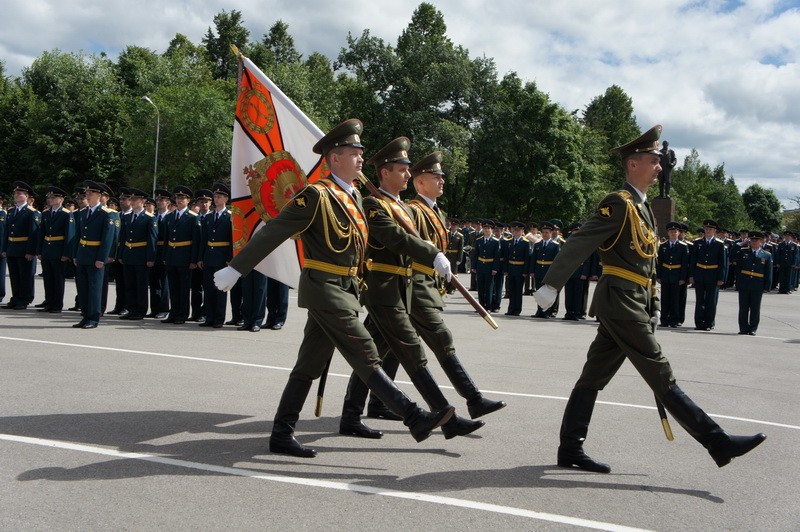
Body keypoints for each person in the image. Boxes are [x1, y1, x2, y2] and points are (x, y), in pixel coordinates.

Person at [213, 119, 454, 458]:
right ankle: (413, 416)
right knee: (366, 352)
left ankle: (282, 433)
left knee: (308, 366)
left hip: (347, 288)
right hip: (324, 288)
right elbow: (276, 230)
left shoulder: (354, 197)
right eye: (354, 154)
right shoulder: (316, 195)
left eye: (360, 153)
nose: (360, 159)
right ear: (335, 157)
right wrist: (237, 267)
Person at [534, 125, 765, 472]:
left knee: (592, 378)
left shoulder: (643, 209)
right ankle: (717, 442)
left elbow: (648, 265)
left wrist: (652, 306)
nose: (660, 168)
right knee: (660, 372)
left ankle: (569, 449)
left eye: (659, 161)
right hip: (620, 302)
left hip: (631, 303)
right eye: (654, 161)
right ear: (633, 164)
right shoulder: (619, 203)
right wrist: (551, 285)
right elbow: (580, 242)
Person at [339, 138, 480, 441]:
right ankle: (445, 416)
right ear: (385, 173)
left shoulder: (402, 207)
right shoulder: (372, 204)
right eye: (401, 170)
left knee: (371, 356)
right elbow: (396, 240)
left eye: (407, 169)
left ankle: (351, 415)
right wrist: (432, 254)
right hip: (383, 288)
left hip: (401, 289)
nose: (407, 174)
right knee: (411, 350)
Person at [71, 180, 116, 329]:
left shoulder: (106, 214)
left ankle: (93, 318)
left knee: (95, 288)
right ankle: (85, 316)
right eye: (87, 193)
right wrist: (76, 255)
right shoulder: (83, 213)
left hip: (95, 255)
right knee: (83, 288)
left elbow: (107, 239)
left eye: (91, 193)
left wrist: (101, 258)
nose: (88, 195)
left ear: (99, 195)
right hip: (83, 254)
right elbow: (78, 236)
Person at [162, 186, 201, 325]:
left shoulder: (192, 217)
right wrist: (166, 256)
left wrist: (193, 260)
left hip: (185, 256)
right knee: (173, 287)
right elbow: (167, 239)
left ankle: (183, 314)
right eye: (178, 198)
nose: (179, 200)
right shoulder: (169, 216)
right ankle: (173, 312)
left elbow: (196, 241)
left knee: (184, 288)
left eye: (182, 198)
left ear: (188, 200)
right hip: (172, 256)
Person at [118, 188, 158, 321]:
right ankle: (131, 309)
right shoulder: (127, 217)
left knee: (141, 285)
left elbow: (152, 239)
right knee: (129, 284)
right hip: (129, 254)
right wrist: (121, 254)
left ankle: (140, 310)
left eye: (135, 200)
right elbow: (122, 237)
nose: (133, 202)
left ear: (143, 202)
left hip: (141, 255)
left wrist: (150, 258)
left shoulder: (149, 218)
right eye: (132, 199)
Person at [198, 183, 233, 329]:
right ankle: (209, 317)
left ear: (226, 199)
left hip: (221, 257)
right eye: (215, 196)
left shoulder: (229, 217)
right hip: (209, 256)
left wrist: (229, 259)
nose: (216, 199)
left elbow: (232, 240)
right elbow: (203, 240)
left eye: (219, 196)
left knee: (220, 289)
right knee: (209, 288)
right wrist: (200, 257)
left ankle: (219, 319)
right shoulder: (208, 217)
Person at [36, 186, 75, 313]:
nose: (51, 199)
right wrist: (40, 251)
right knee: (48, 278)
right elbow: (41, 233)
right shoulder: (46, 213)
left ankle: (57, 304)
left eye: (54, 197)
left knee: (58, 279)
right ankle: (49, 302)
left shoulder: (66, 214)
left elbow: (69, 235)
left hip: (58, 250)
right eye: (50, 197)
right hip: (47, 249)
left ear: (61, 199)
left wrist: (66, 253)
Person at [3, 181, 41, 310]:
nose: (16, 195)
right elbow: (6, 232)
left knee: (25, 275)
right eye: (15, 193)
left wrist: (31, 251)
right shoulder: (12, 211)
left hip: (24, 247)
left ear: (26, 196)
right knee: (14, 275)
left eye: (20, 193)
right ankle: (16, 298)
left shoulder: (32, 212)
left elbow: (33, 234)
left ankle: (24, 299)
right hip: (13, 246)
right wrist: (5, 248)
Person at [690, 219, 727, 331]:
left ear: (714, 231)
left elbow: (722, 263)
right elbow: (693, 261)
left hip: (713, 275)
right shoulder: (697, 243)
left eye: (710, 229)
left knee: (711, 301)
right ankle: (699, 323)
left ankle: (709, 323)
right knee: (700, 300)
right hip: (700, 274)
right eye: (706, 229)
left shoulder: (720, 244)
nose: (708, 231)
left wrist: (721, 278)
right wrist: (691, 276)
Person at [735, 231, 772, 335]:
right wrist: (738, 283)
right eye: (752, 240)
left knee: (755, 308)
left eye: (757, 240)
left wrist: (767, 286)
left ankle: (752, 328)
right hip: (745, 283)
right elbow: (738, 269)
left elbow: (768, 272)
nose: (754, 242)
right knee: (743, 307)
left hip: (758, 284)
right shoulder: (743, 252)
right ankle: (743, 328)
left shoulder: (766, 255)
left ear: (761, 241)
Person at [657, 221, 690, 328]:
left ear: (679, 233)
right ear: (668, 233)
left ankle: (674, 320)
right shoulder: (663, 246)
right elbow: (660, 262)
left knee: (675, 299)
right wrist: (659, 276)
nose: (673, 233)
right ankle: (664, 320)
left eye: (675, 232)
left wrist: (682, 278)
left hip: (677, 275)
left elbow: (685, 264)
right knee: (665, 299)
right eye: (671, 232)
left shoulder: (683, 246)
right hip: (666, 274)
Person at [531, 221, 560, 318]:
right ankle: (539, 311)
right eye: (543, 232)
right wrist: (532, 271)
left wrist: (554, 273)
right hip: (539, 270)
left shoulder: (555, 245)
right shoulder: (538, 244)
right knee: (539, 292)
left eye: (547, 232)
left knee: (547, 293)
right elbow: (534, 259)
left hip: (548, 271)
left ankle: (547, 312)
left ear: (551, 233)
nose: (544, 234)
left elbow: (556, 262)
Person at [503, 221, 532, 316]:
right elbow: (506, 257)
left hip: (520, 269)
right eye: (515, 230)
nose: (516, 232)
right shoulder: (509, 242)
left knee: (518, 291)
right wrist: (506, 269)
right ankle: (511, 309)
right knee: (511, 290)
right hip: (511, 268)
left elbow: (527, 258)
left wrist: (525, 271)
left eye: (518, 230)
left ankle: (517, 309)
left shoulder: (525, 243)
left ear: (522, 231)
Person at [470, 220, 500, 311]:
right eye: (485, 229)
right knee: (480, 287)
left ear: (492, 230)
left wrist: (495, 268)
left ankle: (488, 306)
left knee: (489, 287)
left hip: (490, 266)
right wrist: (474, 266)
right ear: (483, 230)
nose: (487, 230)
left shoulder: (495, 241)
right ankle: (480, 306)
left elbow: (497, 256)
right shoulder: (479, 240)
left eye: (489, 229)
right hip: (480, 266)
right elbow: (476, 255)